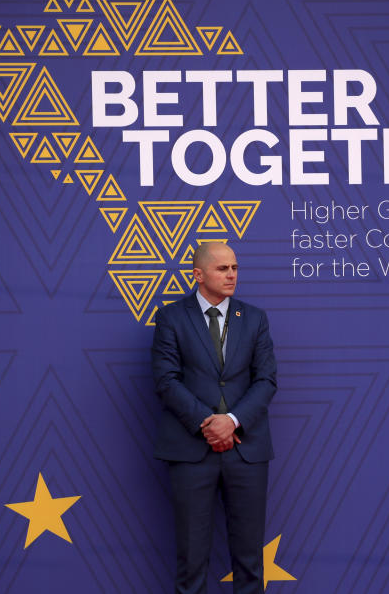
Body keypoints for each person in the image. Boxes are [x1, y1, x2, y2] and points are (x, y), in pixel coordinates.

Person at [151, 242, 277, 594]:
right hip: (191, 452)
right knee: (191, 562)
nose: (232, 274)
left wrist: (232, 420)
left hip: (246, 451)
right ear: (199, 274)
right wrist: (209, 423)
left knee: (250, 562)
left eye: (235, 267)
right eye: (223, 268)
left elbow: (266, 380)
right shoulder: (171, 317)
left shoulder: (254, 318)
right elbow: (165, 380)